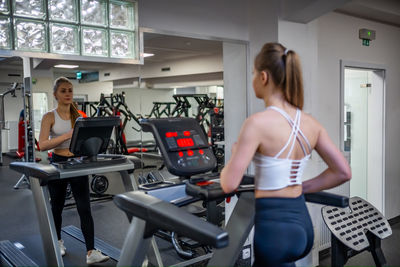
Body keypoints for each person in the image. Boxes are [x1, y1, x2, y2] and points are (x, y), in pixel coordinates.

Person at [220, 43, 352, 267]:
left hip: (274, 231)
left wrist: (234, 155)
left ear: (263, 77)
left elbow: (228, 184)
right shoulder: (311, 123)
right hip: (302, 225)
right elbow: (343, 172)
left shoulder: (257, 124)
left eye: (253, 73)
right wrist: (302, 187)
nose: (252, 78)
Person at [38, 77, 109, 265]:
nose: (68, 93)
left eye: (70, 90)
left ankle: (91, 252)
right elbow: (42, 144)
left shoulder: (79, 115)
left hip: (78, 162)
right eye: (63, 90)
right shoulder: (49, 116)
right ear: (55, 94)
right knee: (57, 206)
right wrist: (66, 135)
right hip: (59, 162)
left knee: (84, 207)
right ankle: (58, 241)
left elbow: (89, 139)